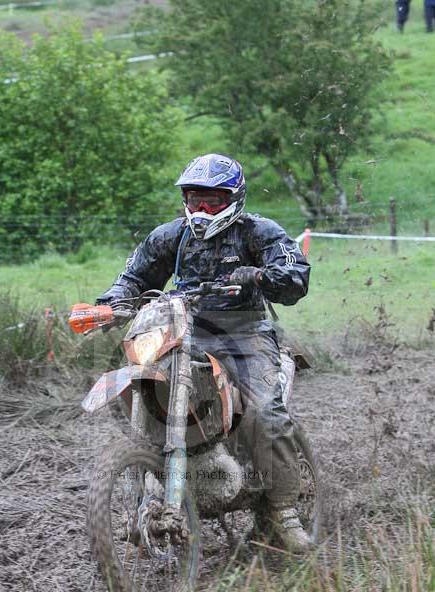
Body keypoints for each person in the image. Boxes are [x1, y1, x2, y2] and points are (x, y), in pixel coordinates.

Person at [97, 154, 312, 553]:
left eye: (211, 202)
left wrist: (264, 275)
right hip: (181, 330)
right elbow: (133, 277)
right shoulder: (170, 236)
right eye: (195, 200)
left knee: (265, 411)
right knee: (139, 383)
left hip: (243, 333)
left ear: (233, 199)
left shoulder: (258, 232)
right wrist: (111, 304)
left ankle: (284, 509)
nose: (201, 209)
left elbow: (295, 275)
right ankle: (146, 492)